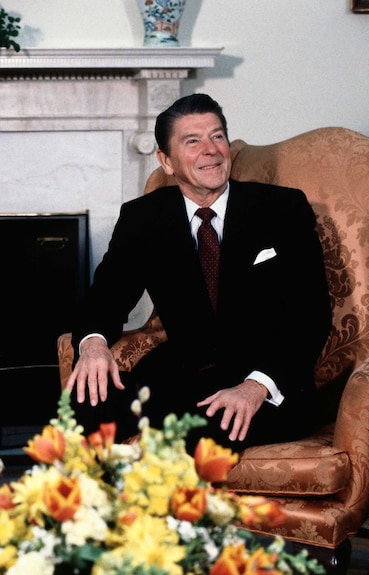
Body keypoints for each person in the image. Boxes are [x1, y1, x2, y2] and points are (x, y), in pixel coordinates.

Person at [66, 93, 331, 450]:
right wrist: (94, 344)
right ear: (166, 161)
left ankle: (166, 487)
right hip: (185, 376)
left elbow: (311, 315)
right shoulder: (143, 218)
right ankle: (111, 502)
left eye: (217, 136)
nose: (211, 149)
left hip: (269, 381)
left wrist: (255, 387)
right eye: (193, 141)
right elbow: (106, 298)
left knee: (205, 427)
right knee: (81, 404)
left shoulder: (281, 208)